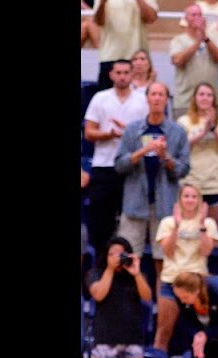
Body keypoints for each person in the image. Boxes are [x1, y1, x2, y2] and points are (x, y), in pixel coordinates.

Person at [116, 81, 191, 289]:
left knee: (164, 264)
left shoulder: (178, 132)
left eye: (161, 94)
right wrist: (143, 150)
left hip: (164, 207)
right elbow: (119, 165)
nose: (157, 98)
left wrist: (165, 156)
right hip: (134, 205)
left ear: (167, 99)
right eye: (153, 94)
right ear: (147, 98)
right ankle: (130, 307)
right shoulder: (132, 130)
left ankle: (161, 306)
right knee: (128, 260)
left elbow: (183, 170)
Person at [85, 59, 149, 266]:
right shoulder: (100, 98)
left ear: (132, 74)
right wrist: (109, 134)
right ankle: (101, 267)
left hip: (132, 168)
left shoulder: (142, 100)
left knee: (129, 223)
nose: (122, 76)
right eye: (118, 72)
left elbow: (148, 135)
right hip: (103, 166)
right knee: (101, 222)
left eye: (126, 72)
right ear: (111, 75)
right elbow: (89, 132)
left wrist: (127, 132)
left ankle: (127, 267)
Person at [154, 183, 218, 352]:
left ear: (200, 200)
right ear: (179, 199)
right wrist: (177, 226)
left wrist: (202, 225)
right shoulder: (167, 222)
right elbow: (167, 252)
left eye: (194, 196)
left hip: (198, 284)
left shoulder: (209, 223)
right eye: (186, 196)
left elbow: (206, 251)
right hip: (171, 281)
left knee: (202, 333)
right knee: (163, 332)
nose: (190, 200)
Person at [178, 82, 218, 226]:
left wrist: (213, 128)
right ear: (195, 98)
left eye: (209, 95)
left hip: (215, 181)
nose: (205, 98)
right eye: (201, 94)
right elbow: (181, 146)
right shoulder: (184, 121)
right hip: (191, 181)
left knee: (211, 227)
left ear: (214, 100)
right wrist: (203, 132)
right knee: (188, 226)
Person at [169, 4, 218, 119]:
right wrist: (197, 42)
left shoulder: (214, 38)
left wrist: (205, 38)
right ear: (186, 19)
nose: (197, 18)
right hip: (185, 102)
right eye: (193, 15)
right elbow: (178, 61)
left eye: (200, 15)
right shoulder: (178, 40)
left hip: (211, 102)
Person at [92, 0, 159, 91]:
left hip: (137, 58)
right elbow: (98, 21)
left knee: (140, 97)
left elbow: (151, 18)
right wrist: (103, 3)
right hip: (110, 56)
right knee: (106, 97)